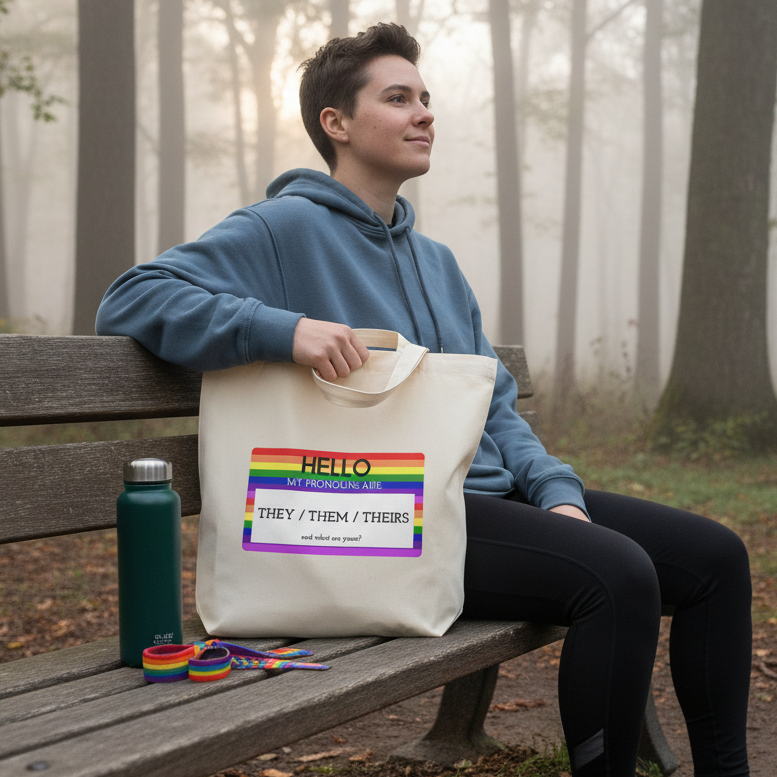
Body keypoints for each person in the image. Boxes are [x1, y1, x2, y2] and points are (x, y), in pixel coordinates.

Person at [95, 23, 752, 777]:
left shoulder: (436, 262)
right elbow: (131, 297)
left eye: (426, 98)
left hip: (482, 500)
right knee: (618, 573)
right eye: (398, 97)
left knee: (714, 558)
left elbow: (495, 405)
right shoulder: (282, 229)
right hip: (386, 517)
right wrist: (282, 330)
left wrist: (555, 490)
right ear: (334, 124)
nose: (424, 113)